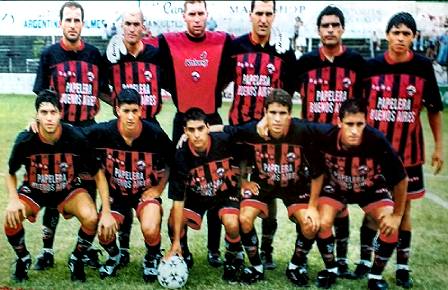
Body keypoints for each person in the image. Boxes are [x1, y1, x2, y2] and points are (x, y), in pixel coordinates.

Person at [361, 12, 444, 288]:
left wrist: (439, 148)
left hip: (408, 155)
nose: (400, 38)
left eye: (406, 33)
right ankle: (366, 262)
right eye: (396, 32)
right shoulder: (371, 67)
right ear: (387, 35)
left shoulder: (422, 67)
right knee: (373, 210)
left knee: (403, 211)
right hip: (374, 156)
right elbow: (358, 110)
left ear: (414, 37)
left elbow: (433, 110)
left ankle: (402, 267)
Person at [4, 90, 116, 282]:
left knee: (91, 217)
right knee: (10, 218)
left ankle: (77, 258)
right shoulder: (25, 139)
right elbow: (10, 172)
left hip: (67, 189)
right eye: (44, 112)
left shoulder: (75, 137)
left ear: (60, 114)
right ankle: (23, 258)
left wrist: (106, 210)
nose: (49, 118)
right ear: (36, 115)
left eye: (53, 112)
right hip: (35, 189)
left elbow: (98, 174)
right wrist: (13, 200)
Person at [219, 89, 323, 286]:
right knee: (244, 219)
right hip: (263, 185)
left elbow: (317, 174)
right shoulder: (253, 130)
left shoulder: (302, 131)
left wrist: (312, 206)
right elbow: (225, 130)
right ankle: (257, 266)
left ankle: (295, 265)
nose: (277, 118)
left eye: (282, 113)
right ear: (265, 113)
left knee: (310, 224)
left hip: (294, 186)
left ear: (290, 115)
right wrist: (244, 181)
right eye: (272, 113)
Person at [32, 0, 108, 271]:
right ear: (60, 23)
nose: (73, 25)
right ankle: (47, 251)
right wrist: (37, 120)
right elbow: (41, 96)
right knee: (54, 190)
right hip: (60, 133)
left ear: (83, 24)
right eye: (68, 20)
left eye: (77, 20)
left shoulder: (94, 55)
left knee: (89, 189)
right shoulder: (50, 54)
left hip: (88, 131)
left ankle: (83, 250)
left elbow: (105, 90)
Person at [157, 0, 233, 267]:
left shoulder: (223, 40)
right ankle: (183, 247)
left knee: (217, 185)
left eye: (201, 13)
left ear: (207, 15)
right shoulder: (167, 41)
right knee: (185, 185)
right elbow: (143, 53)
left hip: (211, 119)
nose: (197, 18)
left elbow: (240, 57)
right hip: (183, 121)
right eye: (192, 14)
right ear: (184, 16)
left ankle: (214, 249)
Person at [294, 5, 366, 279]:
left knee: (341, 204)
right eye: (326, 26)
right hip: (314, 149)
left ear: (343, 29)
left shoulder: (357, 63)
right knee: (322, 205)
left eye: (335, 25)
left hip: (346, 148)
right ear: (319, 30)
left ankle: (343, 260)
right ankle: (320, 260)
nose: (331, 30)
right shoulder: (306, 63)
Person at [226, 0, 296, 271]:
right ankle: (235, 249)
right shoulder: (236, 47)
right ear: (250, 15)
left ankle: (266, 249)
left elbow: (287, 95)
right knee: (238, 187)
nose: (264, 19)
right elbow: (221, 81)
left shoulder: (284, 51)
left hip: (271, 137)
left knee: (268, 192)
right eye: (259, 13)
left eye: (269, 14)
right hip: (241, 133)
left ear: (274, 16)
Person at [312, 98, 408, 290]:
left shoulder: (377, 140)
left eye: (359, 124)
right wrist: (312, 205)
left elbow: (401, 178)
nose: (354, 130)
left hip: (369, 187)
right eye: (349, 124)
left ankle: (375, 276)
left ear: (366, 122)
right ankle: (331, 270)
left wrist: (397, 215)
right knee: (321, 222)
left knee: (390, 226)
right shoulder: (325, 136)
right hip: (337, 186)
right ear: (339, 122)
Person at [82, 88, 173, 282]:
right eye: (126, 111)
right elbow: (73, 134)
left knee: (150, 227)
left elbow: (172, 161)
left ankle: (152, 256)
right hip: (116, 194)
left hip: (144, 193)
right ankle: (115, 255)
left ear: (141, 110)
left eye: (134, 111)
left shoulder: (154, 134)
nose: (130, 116)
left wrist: (158, 189)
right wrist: (37, 123)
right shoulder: (104, 131)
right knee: (104, 231)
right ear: (117, 110)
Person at [103, 8, 166, 268]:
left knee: (144, 185)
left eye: (135, 24)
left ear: (143, 28)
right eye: (127, 23)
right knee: (122, 184)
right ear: (122, 27)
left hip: (149, 129)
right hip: (123, 128)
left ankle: (154, 252)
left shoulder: (156, 56)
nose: (131, 28)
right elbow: (98, 87)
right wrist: (119, 107)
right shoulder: (111, 58)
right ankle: (124, 249)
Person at [166, 107, 244, 283]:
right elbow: (177, 201)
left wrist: (244, 180)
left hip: (225, 193)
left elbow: (245, 139)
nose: (196, 135)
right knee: (173, 220)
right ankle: (182, 253)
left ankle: (233, 256)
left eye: (201, 128)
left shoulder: (224, 140)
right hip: (197, 197)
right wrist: (175, 241)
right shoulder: (181, 154)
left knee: (232, 223)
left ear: (208, 127)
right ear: (185, 131)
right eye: (191, 130)